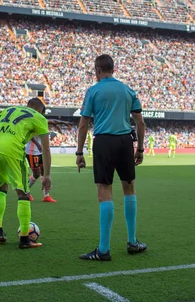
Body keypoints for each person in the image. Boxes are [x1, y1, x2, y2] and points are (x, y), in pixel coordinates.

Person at [76, 54, 147, 261]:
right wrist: (140, 149)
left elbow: (83, 125)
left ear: (98, 69)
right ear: (113, 68)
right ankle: (132, 241)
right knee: (129, 188)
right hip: (125, 141)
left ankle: (104, 249)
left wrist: (80, 153)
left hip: (104, 142)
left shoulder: (93, 91)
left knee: (104, 191)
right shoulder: (128, 90)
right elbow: (140, 123)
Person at [0, 98, 52, 249]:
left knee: (1, 188)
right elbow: (46, 149)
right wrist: (47, 175)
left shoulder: (8, 109)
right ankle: (24, 239)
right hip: (13, 150)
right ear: (40, 110)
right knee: (23, 193)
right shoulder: (39, 118)